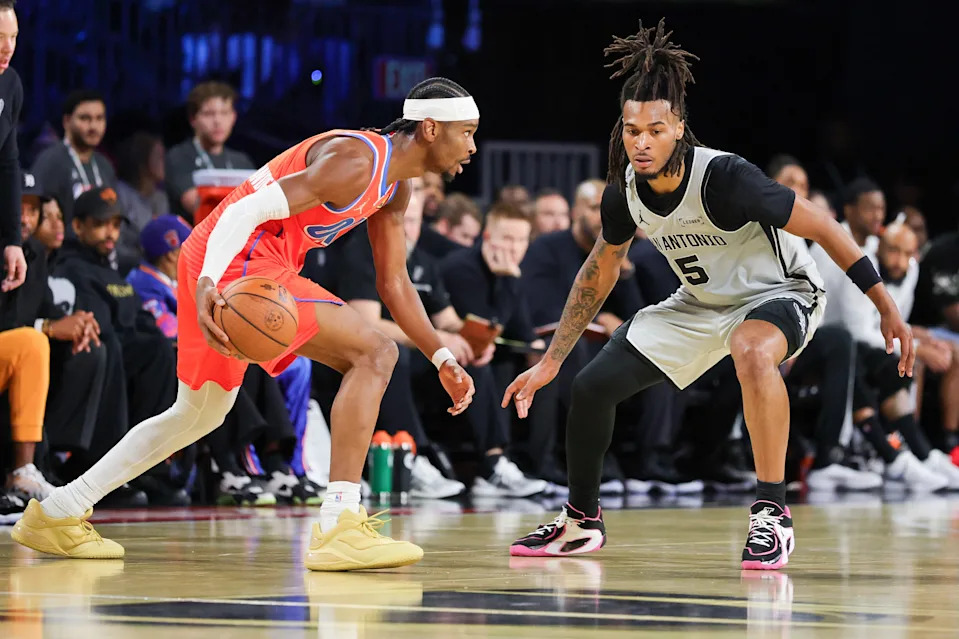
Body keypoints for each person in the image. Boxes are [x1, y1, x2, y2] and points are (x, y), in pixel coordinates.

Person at [13, 77, 478, 571]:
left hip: (233, 263)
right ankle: (340, 524)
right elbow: (246, 210)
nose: (471, 146)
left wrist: (442, 354)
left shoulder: (395, 188)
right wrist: (209, 282)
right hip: (235, 260)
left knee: (200, 413)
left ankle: (58, 510)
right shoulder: (358, 160)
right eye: (466, 132)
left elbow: (395, 284)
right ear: (430, 128)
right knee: (376, 352)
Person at [502, 21, 912, 570]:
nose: (641, 142)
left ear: (678, 127)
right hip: (700, 302)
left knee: (750, 348)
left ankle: (773, 512)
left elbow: (825, 227)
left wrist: (885, 305)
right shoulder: (625, 191)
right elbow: (597, 273)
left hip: (783, 292)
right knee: (592, 386)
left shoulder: (725, 178)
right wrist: (552, 360)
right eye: (630, 130)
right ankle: (581, 521)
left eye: (654, 129)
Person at [165, 81, 256, 220]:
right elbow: (199, 206)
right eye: (208, 114)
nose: (218, 121)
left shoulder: (242, 162)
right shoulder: (179, 156)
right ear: (193, 119)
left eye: (224, 113)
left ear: (233, 117)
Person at [30, 90, 117, 227]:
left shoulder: (105, 165)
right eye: (85, 118)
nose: (93, 126)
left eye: (99, 118)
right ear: (67, 121)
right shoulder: (50, 162)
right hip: (65, 247)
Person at [115, 132, 171, 273]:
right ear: (142, 161)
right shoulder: (120, 194)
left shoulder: (161, 198)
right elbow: (118, 245)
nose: (164, 161)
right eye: (158, 157)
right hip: (129, 270)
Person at [0, 0, 26, 294]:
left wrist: (13, 241)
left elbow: (7, 165)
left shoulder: (10, 84)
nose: (8, 48)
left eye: (14, 37)